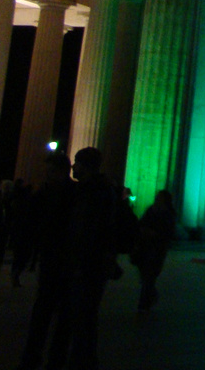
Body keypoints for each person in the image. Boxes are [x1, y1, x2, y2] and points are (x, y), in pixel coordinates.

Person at [15, 150, 76, 370]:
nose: (48, 175)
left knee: (49, 313)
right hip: (55, 259)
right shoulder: (68, 193)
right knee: (53, 314)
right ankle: (45, 358)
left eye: (51, 171)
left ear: (61, 171)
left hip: (62, 259)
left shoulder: (54, 194)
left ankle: (40, 358)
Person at [65, 146, 120, 370]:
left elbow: (89, 230)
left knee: (82, 316)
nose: (73, 167)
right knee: (84, 317)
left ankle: (82, 361)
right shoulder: (101, 191)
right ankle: (83, 360)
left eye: (76, 162)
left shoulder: (92, 193)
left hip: (87, 264)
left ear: (85, 166)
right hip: (90, 263)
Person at [133, 189, 176, 310]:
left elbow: (168, 232)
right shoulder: (152, 210)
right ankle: (149, 296)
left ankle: (144, 302)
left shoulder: (166, 213)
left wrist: (154, 234)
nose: (157, 199)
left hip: (156, 248)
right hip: (146, 246)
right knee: (146, 276)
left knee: (149, 276)